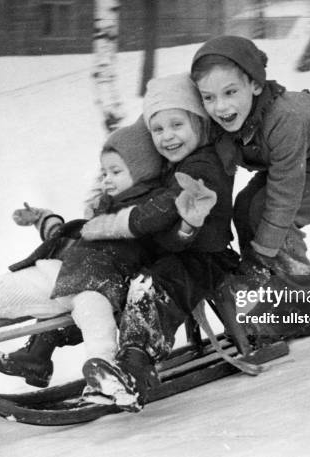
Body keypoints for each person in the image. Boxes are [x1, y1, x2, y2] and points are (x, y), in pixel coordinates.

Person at [0, 118, 217, 392]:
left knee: (83, 299)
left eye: (114, 172)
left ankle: (100, 367)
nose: (105, 180)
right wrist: (42, 217)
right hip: (86, 280)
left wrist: (187, 226)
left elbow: (168, 244)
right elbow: (67, 235)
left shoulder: (143, 213)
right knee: (64, 286)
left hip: (115, 286)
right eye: (103, 173)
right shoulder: (105, 209)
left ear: (139, 173)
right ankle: (36, 357)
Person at [189, 35, 310, 343]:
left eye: (230, 92)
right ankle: (274, 291)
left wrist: (261, 253)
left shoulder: (283, 119)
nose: (220, 106)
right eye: (209, 98)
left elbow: (284, 196)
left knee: (270, 213)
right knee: (246, 205)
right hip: (295, 156)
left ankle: (301, 296)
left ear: (256, 86)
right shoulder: (224, 122)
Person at [78, 73, 238, 412]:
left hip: (204, 258)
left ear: (199, 121)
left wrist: (120, 223)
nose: (168, 137)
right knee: (126, 278)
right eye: (158, 130)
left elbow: (162, 216)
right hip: (175, 252)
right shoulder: (173, 163)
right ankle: (89, 354)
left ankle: (136, 365)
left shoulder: (203, 165)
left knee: (152, 287)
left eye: (177, 124)